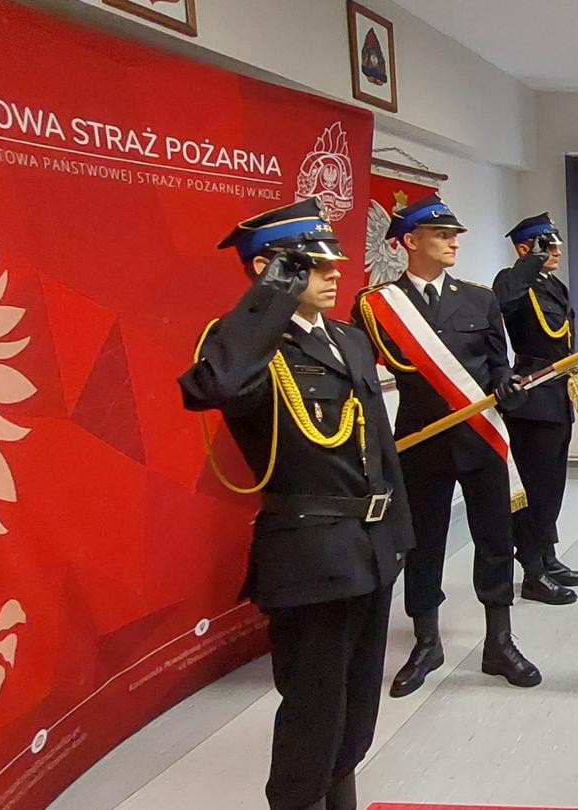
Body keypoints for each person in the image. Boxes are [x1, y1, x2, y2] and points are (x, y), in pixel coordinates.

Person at [180, 199, 411, 810]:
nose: (336, 273)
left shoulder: (349, 341)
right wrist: (270, 295)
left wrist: (399, 540)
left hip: (369, 547)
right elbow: (215, 388)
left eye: (334, 261)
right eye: (313, 264)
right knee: (313, 709)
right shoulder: (247, 345)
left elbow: (379, 446)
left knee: (358, 707)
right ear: (272, 271)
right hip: (310, 549)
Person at [353, 194, 543, 697]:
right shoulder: (378, 305)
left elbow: (497, 361)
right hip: (421, 441)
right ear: (409, 242)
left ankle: (499, 642)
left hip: (480, 438)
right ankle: (426, 641)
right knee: (422, 544)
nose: (453, 241)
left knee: (494, 538)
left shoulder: (479, 298)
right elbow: (362, 376)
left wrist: (506, 383)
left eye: (455, 234)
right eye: (441, 235)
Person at [491, 213, 578, 601]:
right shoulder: (513, 280)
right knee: (534, 486)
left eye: (555, 245)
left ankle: (547, 556)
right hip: (531, 400)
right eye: (548, 246)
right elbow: (502, 301)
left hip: (557, 395)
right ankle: (532, 570)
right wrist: (529, 261)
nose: (557, 252)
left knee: (552, 486)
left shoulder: (554, 286)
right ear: (525, 248)